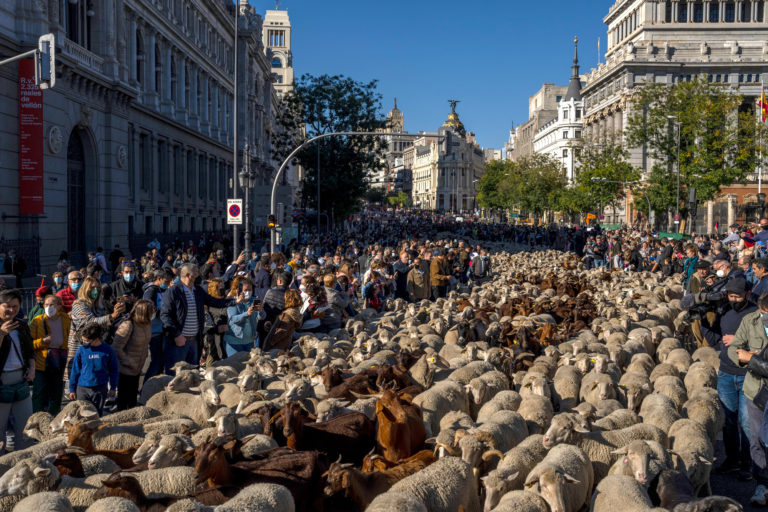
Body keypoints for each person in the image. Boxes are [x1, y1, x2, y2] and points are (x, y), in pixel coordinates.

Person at [700, 278, 755, 481]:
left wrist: (738, 340)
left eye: (737, 296)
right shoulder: (725, 311)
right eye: (730, 296)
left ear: (747, 295)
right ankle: (732, 460)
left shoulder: (756, 314)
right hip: (725, 372)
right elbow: (715, 339)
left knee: (747, 421)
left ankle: (748, 463)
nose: (733, 299)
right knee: (729, 420)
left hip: (749, 374)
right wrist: (703, 320)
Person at [159, 263, 235, 374]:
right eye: (196, 272)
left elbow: (214, 302)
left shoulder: (197, 290)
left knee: (192, 376)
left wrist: (234, 301)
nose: (199, 274)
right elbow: (165, 316)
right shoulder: (173, 291)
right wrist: (176, 334)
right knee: (175, 377)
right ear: (188, 275)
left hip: (194, 342)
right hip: (178, 342)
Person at [65, 277, 126, 392]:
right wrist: (111, 316)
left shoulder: (99, 305)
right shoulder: (78, 304)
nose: (95, 290)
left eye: (98, 288)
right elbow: (90, 323)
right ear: (85, 289)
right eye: (92, 287)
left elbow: (103, 326)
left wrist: (116, 314)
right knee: (80, 380)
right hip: (82, 347)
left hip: (97, 347)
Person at [0, 289, 35, 452]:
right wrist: (2, 334)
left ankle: (25, 462)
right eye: (7, 306)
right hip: (2, 381)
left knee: (26, 427)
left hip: (21, 379)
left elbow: (29, 350)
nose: (12, 310)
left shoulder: (21, 324)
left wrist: (32, 368)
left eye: (15, 306)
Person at [29, 294, 69, 415]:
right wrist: (42, 342)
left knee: (57, 393)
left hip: (60, 361)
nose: (48, 307)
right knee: (39, 393)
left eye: (52, 305)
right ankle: (37, 417)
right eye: (46, 305)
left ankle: (54, 417)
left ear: (59, 306)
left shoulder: (66, 319)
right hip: (42, 363)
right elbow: (28, 344)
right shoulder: (36, 321)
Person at [68, 323, 119, 416]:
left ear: (96, 339)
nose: (83, 343)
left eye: (86, 341)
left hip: (99, 389)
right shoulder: (81, 350)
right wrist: (72, 388)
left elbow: (114, 370)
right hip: (82, 389)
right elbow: (75, 370)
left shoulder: (108, 350)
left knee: (96, 415)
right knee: (81, 415)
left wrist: (113, 387)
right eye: (83, 340)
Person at [111, 300, 153, 411]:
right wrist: (129, 362)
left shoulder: (147, 323)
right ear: (143, 312)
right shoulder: (128, 325)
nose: (153, 313)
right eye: (150, 311)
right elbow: (116, 348)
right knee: (124, 401)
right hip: (125, 369)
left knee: (133, 401)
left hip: (137, 368)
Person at [142, 270, 172, 382]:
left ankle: (155, 385)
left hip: (163, 330)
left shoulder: (164, 290)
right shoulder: (150, 291)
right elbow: (150, 309)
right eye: (166, 281)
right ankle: (146, 386)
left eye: (169, 281)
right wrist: (166, 311)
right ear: (159, 278)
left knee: (161, 362)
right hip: (154, 331)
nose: (168, 283)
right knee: (156, 361)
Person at [224, 278, 264, 354]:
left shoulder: (254, 300)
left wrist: (261, 311)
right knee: (235, 364)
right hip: (235, 341)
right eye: (245, 290)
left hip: (249, 341)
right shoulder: (233, 302)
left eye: (250, 290)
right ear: (238, 290)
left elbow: (261, 317)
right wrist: (246, 314)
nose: (248, 292)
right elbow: (233, 319)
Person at [203, 279, 229, 366]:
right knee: (212, 361)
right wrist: (217, 329)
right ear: (214, 289)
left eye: (223, 287)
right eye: (220, 288)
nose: (222, 290)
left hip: (225, 338)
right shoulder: (208, 305)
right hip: (213, 338)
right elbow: (206, 326)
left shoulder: (226, 301)